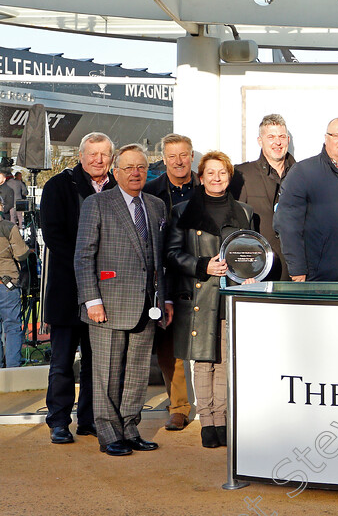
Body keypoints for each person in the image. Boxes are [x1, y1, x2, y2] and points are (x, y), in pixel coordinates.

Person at [74, 143, 170, 456]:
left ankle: (130, 429)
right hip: (108, 306)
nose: (135, 173)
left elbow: (159, 261)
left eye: (141, 167)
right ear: (116, 172)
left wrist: (164, 300)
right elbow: (83, 255)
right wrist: (92, 301)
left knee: (137, 374)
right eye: (128, 167)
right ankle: (108, 433)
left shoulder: (155, 206)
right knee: (107, 374)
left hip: (146, 307)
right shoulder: (97, 203)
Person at [166, 151, 254, 449]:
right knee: (203, 361)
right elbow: (172, 254)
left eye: (223, 173)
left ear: (230, 177)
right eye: (211, 173)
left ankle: (223, 420)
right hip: (199, 296)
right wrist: (203, 265)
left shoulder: (244, 212)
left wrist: (251, 273)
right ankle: (207, 422)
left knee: (225, 360)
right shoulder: (181, 211)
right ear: (200, 177)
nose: (217, 178)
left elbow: (250, 251)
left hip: (230, 295)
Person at [41, 132, 118, 444]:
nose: (98, 160)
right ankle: (59, 422)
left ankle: (88, 419)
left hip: (104, 293)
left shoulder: (118, 188)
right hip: (66, 291)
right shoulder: (58, 186)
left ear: (112, 158)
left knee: (95, 363)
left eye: (104, 154)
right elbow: (53, 236)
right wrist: (89, 262)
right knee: (61, 363)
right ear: (81, 155)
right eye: (92, 154)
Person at [143, 133, 200, 432]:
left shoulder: (207, 187)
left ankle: (214, 405)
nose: (178, 161)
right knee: (169, 347)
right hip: (166, 277)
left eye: (184, 155)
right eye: (172, 156)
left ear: (192, 156)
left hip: (203, 274)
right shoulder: (151, 192)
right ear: (163, 159)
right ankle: (178, 406)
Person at [274, 117, 338, 282]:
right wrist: (297, 268)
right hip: (319, 277)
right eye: (336, 135)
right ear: (326, 139)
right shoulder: (304, 172)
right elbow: (287, 223)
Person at [230, 114, 296, 280]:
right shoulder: (242, 174)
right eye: (271, 137)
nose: (277, 142)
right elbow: (235, 226)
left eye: (281, 137)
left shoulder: (302, 174)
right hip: (257, 271)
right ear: (260, 141)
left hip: (296, 271)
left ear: (288, 139)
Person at [0, 199, 28, 368]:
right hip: (6, 283)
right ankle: (13, 369)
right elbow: (21, 254)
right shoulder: (8, 227)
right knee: (12, 327)